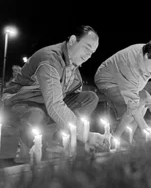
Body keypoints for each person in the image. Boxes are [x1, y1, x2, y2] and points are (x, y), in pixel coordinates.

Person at [3, 25, 100, 162]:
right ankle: (29, 147)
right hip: (20, 101)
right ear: (72, 41)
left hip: (44, 103)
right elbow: (55, 104)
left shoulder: (73, 68)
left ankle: (60, 141)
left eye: (92, 52)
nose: (89, 55)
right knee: (36, 113)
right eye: (87, 47)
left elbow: (65, 98)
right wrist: (86, 135)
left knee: (90, 98)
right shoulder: (50, 60)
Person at [94, 39, 151, 144]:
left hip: (121, 80)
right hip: (108, 81)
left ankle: (128, 134)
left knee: (143, 100)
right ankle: (116, 136)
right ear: (147, 56)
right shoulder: (131, 65)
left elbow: (137, 86)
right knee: (137, 104)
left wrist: (146, 97)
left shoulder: (148, 52)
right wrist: (144, 127)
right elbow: (132, 100)